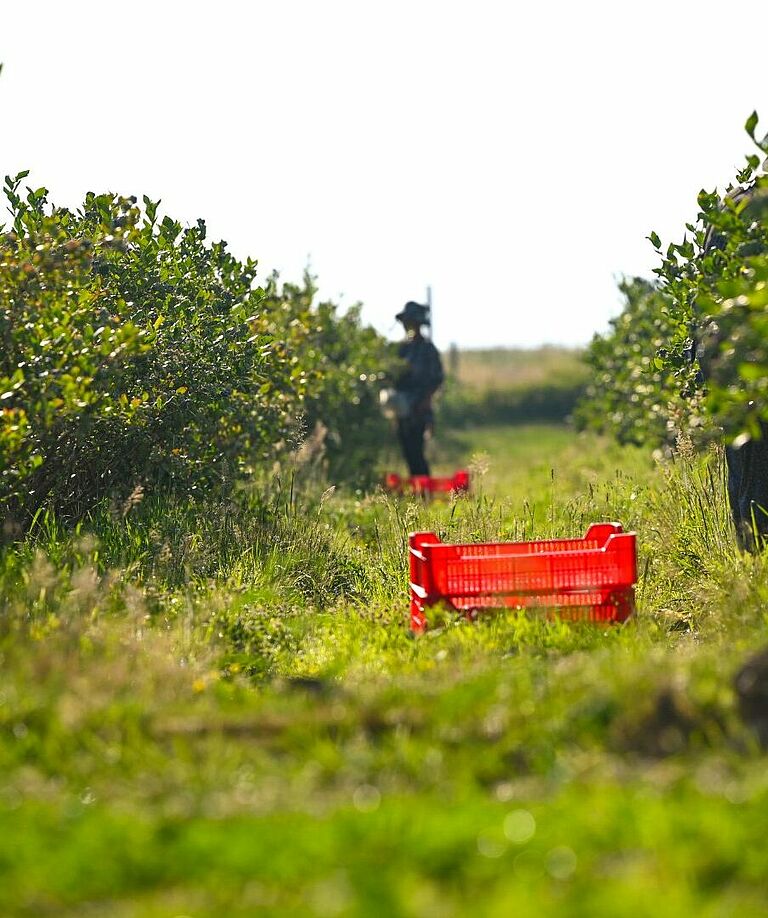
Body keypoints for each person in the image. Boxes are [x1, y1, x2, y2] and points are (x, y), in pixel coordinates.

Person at [393, 301, 444, 477]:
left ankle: (423, 486)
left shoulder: (428, 349)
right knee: (407, 450)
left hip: (420, 408)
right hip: (402, 408)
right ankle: (416, 486)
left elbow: (436, 379)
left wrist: (425, 401)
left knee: (417, 450)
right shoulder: (402, 349)